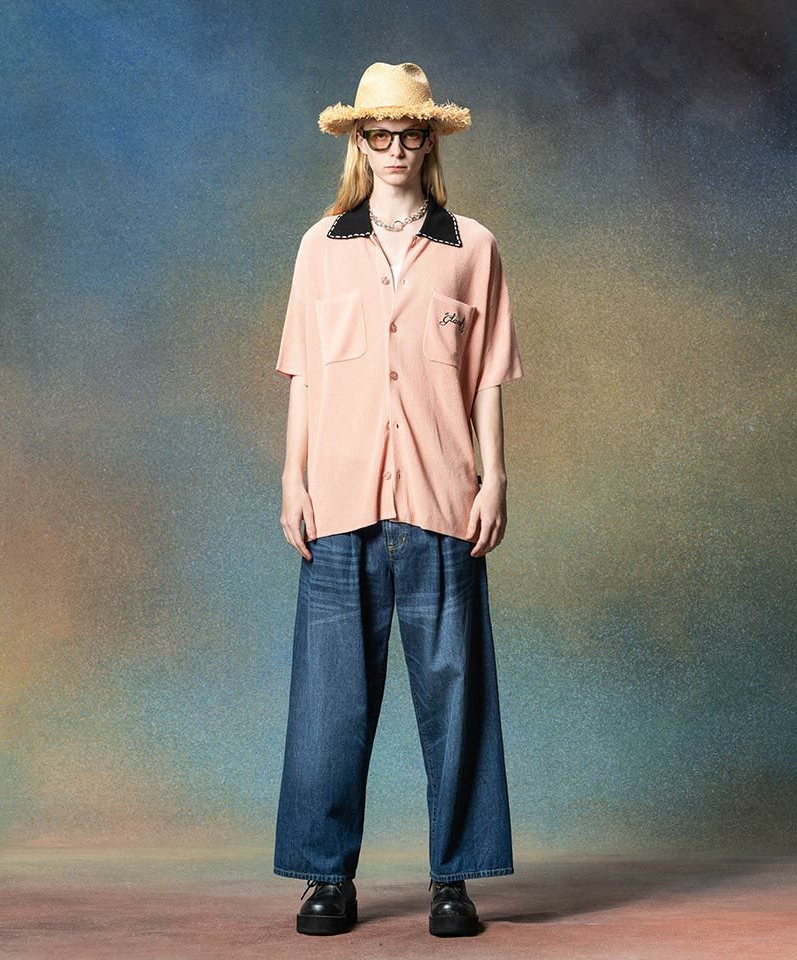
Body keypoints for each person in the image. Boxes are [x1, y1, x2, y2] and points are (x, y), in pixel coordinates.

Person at [272, 61, 524, 938]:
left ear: (428, 142)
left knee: (456, 699)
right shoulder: (318, 248)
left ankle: (454, 881)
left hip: (442, 504)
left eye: (408, 134)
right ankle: (325, 879)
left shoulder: (473, 249)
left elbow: (486, 380)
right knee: (330, 703)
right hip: (338, 505)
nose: (394, 149)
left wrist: (495, 479)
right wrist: (292, 478)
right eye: (377, 134)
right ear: (358, 142)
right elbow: (305, 376)